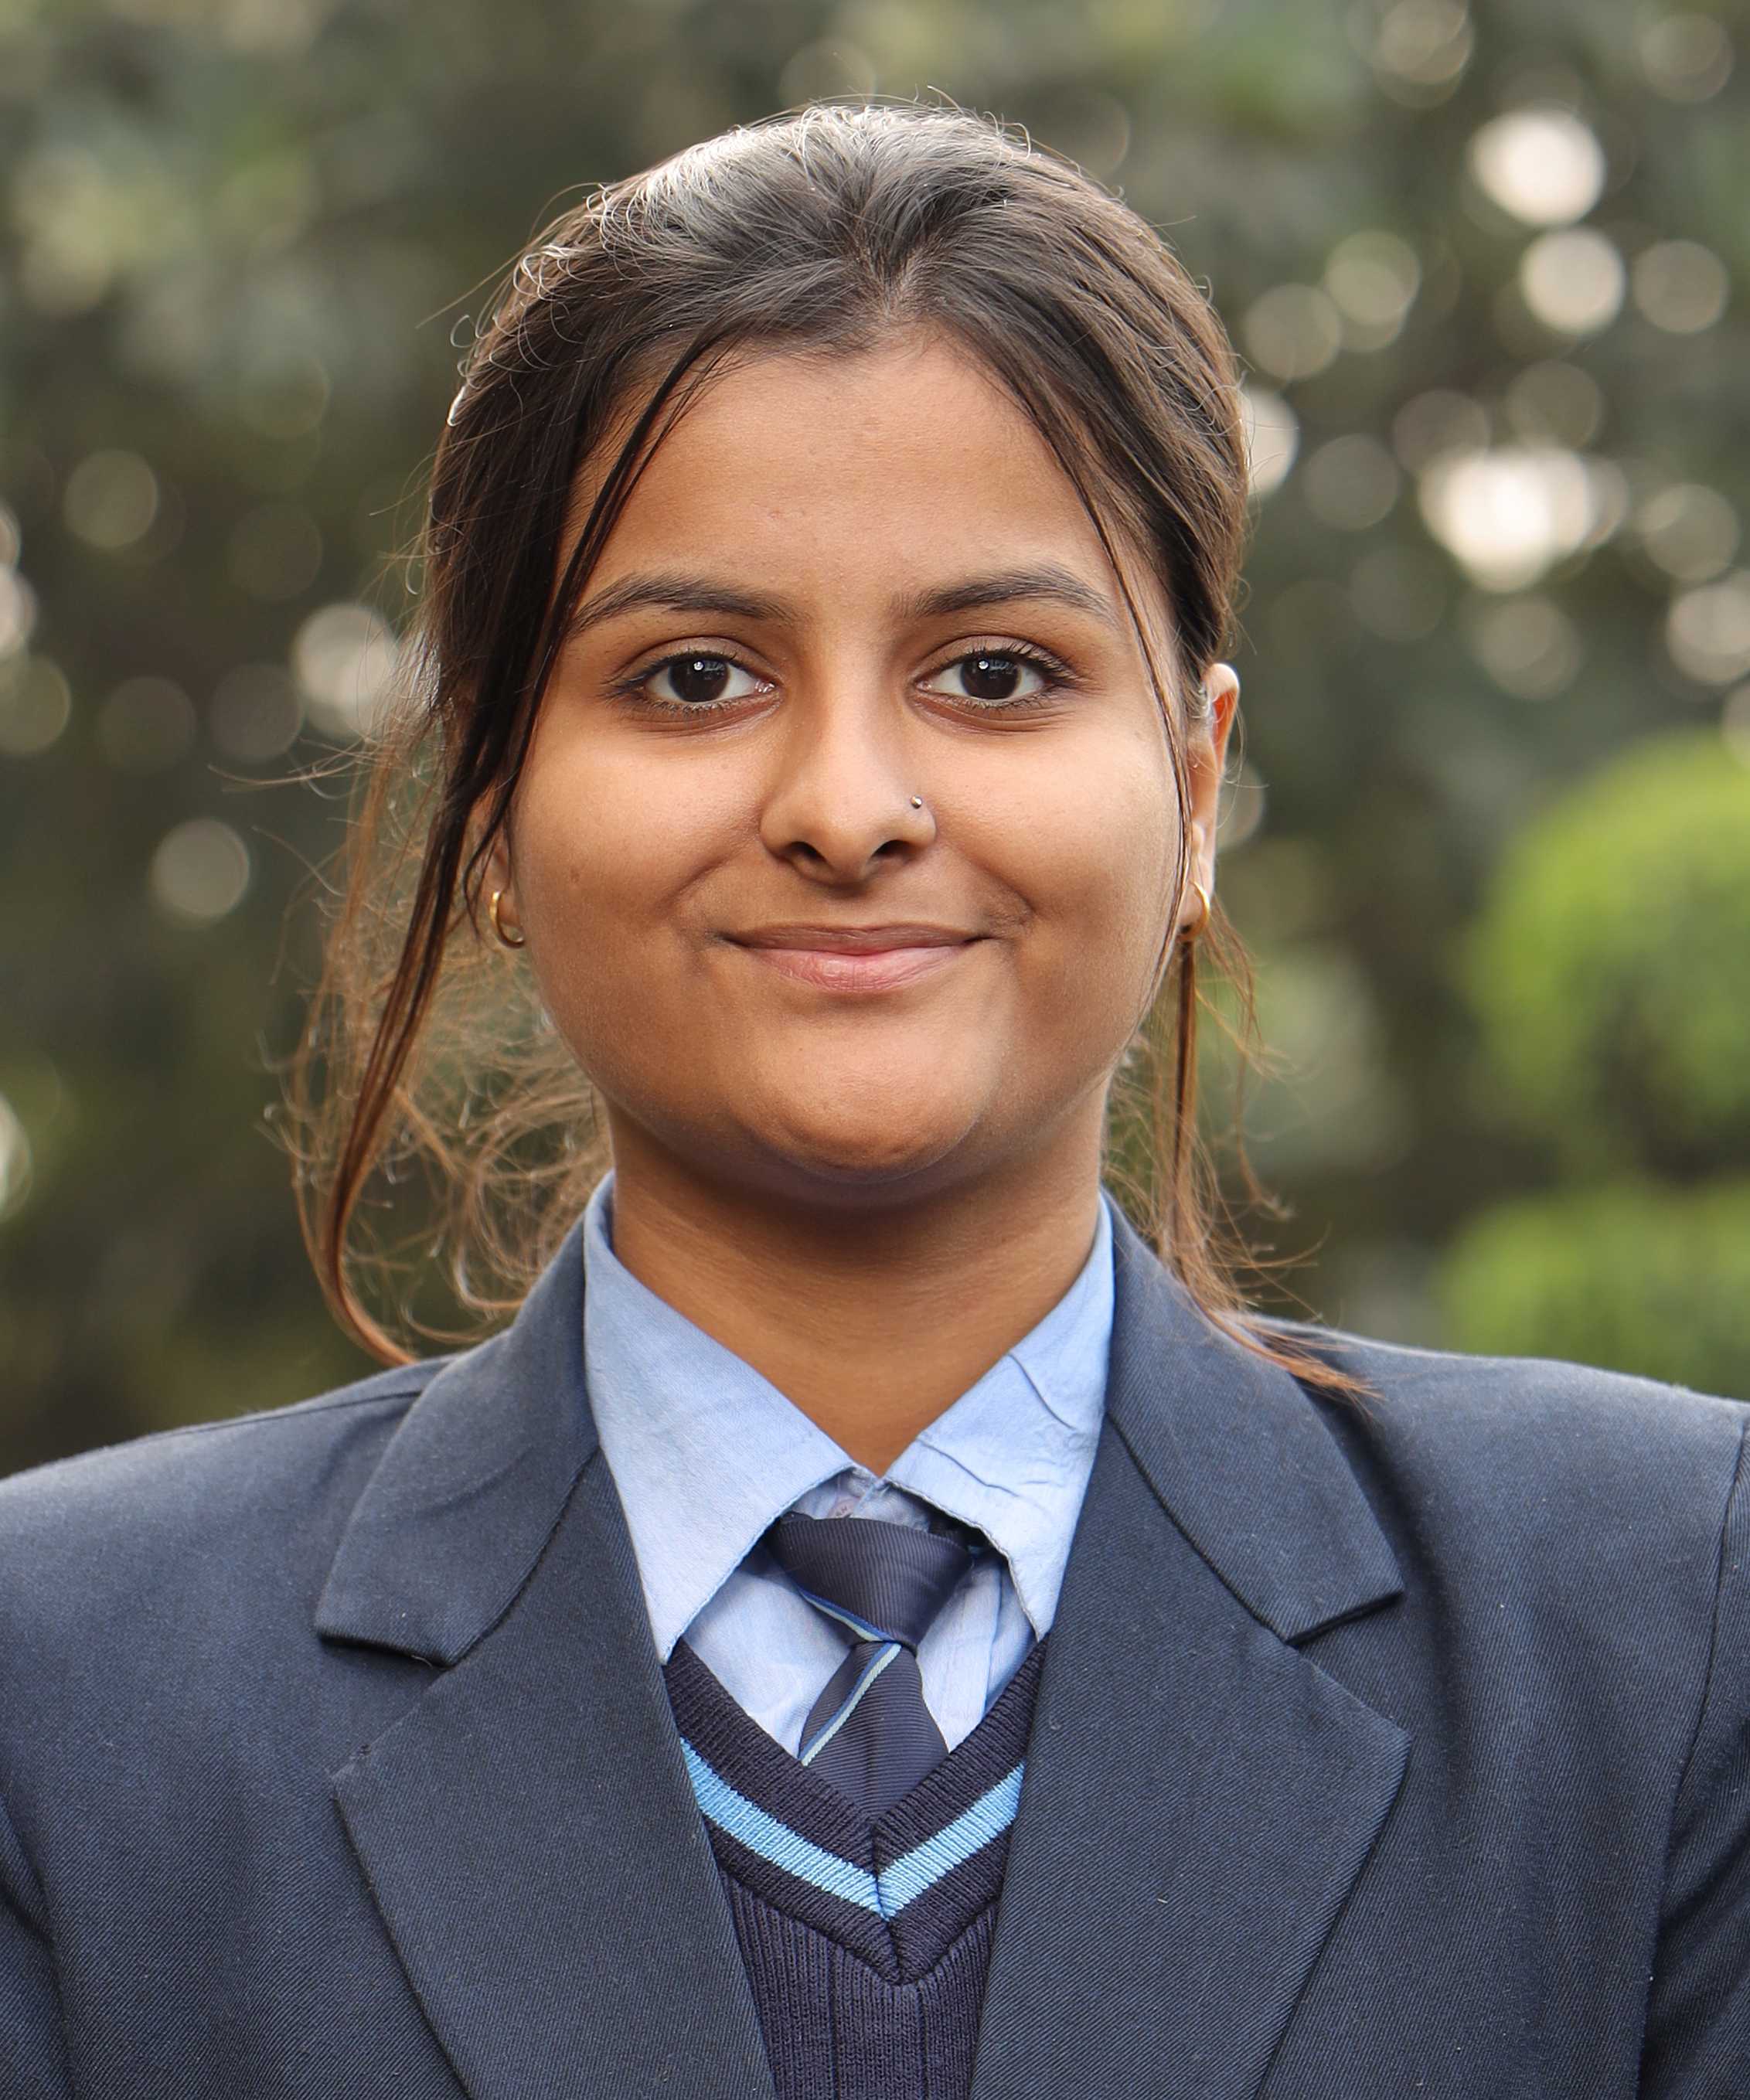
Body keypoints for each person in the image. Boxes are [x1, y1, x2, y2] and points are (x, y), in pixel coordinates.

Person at [1, 100, 1745, 2100]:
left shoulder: (1667, 1629)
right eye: (694, 677)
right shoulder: (65, 1693)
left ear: (1194, 787)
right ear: (490, 807)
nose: (847, 807)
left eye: (995, 673)